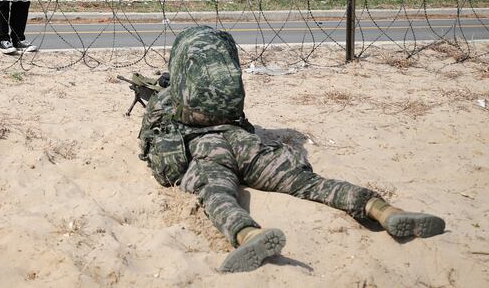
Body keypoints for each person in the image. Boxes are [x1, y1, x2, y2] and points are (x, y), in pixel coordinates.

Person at [138, 26, 446, 273]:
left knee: (217, 192)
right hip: (246, 143)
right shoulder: (223, 92)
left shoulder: (169, 99)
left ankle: (248, 234)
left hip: (207, 147)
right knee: (307, 183)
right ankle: (381, 209)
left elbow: (151, 134)